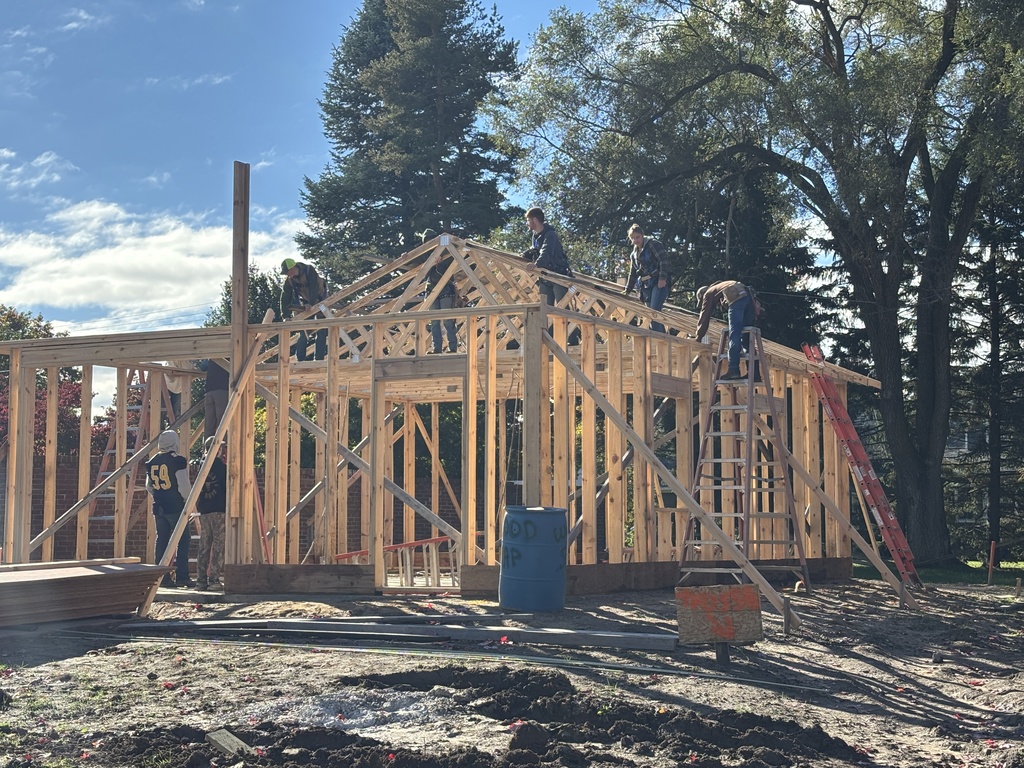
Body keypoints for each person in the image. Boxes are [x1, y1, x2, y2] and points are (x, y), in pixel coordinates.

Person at [145, 430, 194, 588]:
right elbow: (184, 487)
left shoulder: (152, 461)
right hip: (175, 506)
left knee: (162, 540)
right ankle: (182, 576)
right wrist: (187, 502)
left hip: (159, 507)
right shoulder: (177, 461)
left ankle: (162, 578)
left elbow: (149, 486)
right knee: (184, 539)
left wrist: (159, 496)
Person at [693, 280, 759, 380]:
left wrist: (699, 336)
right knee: (747, 338)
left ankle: (733, 370)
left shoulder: (708, 294)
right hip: (748, 296)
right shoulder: (720, 287)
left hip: (736, 297)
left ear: (702, 297)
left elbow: (704, 316)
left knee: (734, 334)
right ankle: (754, 374)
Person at [623, 224, 673, 333]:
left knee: (654, 312)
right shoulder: (634, 254)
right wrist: (627, 290)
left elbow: (664, 261)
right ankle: (660, 340)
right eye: (633, 238)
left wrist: (662, 279)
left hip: (657, 281)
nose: (636, 240)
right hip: (645, 286)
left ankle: (662, 341)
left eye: (637, 237)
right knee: (651, 316)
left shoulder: (653, 245)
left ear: (642, 235)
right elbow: (633, 273)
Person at [521, 207, 572, 309]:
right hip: (544, 276)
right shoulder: (535, 236)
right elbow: (535, 250)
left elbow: (546, 251)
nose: (527, 223)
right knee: (545, 309)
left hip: (557, 275)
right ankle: (548, 326)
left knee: (562, 308)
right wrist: (524, 255)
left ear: (535, 220)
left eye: (528, 220)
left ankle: (567, 325)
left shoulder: (550, 234)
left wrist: (536, 264)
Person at [194, 436, 227, 591]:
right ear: (218, 449)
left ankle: (200, 581)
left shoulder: (201, 466)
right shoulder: (221, 467)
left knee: (204, 545)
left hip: (204, 510)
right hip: (219, 510)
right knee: (218, 546)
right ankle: (214, 580)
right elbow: (227, 489)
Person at [281, 257, 328, 361]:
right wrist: (285, 316)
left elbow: (314, 288)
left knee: (321, 328)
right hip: (305, 303)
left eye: (287, 272)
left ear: (293, 268)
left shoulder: (309, 270)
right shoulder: (290, 280)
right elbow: (285, 297)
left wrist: (311, 303)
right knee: (303, 330)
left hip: (320, 301)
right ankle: (300, 359)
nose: (287, 275)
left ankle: (319, 359)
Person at [421, 228, 458, 353]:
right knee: (434, 321)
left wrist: (441, 262)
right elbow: (420, 270)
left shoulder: (446, 250)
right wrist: (405, 256)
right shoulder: (424, 254)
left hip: (446, 288)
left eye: (431, 239)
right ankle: (437, 348)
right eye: (427, 240)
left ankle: (452, 348)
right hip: (432, 289)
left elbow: (454, 264)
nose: (429, 242)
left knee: (448, 320)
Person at [198, 359, 228, 439]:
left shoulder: (212, 357)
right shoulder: (229, 356)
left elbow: (203, 367)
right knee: (222, 423)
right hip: (222, 390)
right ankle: (223, 448)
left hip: (209, 391)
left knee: (209, 423)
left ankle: (207, 448)